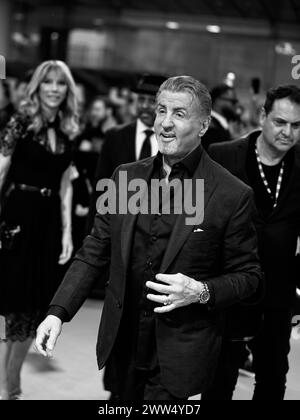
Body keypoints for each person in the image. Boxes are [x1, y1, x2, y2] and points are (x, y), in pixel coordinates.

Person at [35, 75, 262, 400]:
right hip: (123, 346)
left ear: (204, 125)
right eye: (161, 111)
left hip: (179, 353)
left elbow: (249, 276)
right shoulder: (126, 178)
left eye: (179, 114)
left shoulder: (230, 193)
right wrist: (57, 312)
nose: (165, 124)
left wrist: (201, 291)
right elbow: (95, 251)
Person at [202, 84, 300, 400]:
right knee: (219, 381)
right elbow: (200, 224)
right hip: (229, 290)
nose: (287, 131)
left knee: (273, 381)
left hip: (278, 295)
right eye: (280, 122)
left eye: (296, 125)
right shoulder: (222, 156)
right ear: (263, 116)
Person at [0, 60, 79, 400]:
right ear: (37, 86)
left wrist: (66, 233)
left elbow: (65, 185)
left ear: (67, 91)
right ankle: (11, 390)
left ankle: (9, 389)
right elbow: (0, 171)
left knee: (37, 309)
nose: (53, 88)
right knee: (19, 310)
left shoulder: (66, 129)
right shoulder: (20, 123)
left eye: (60, 83)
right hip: (18, 219)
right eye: (47, 82)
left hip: (47, 225)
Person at [201, 83, 239, 150]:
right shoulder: (211, 127)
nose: (236, 105)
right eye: (233, 101)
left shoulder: (221, 124)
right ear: (218, 101)